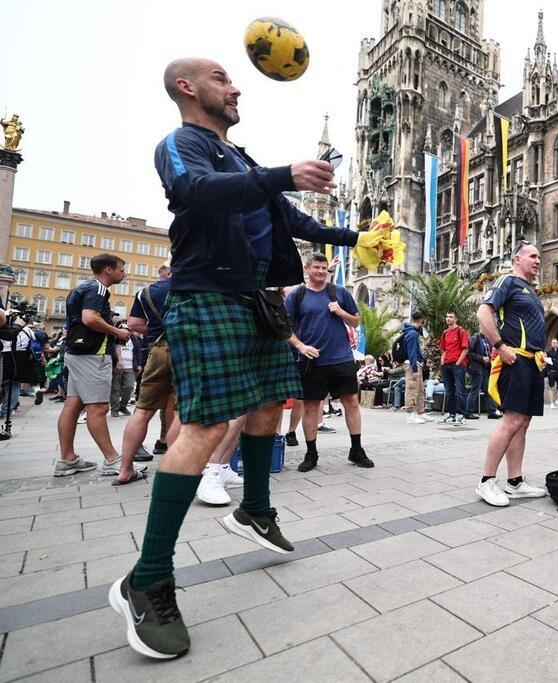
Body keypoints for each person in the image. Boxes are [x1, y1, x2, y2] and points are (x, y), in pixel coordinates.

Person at [109, 58, 372, 661]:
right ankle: (147, 579)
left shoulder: (245, 160)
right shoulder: (182, 145)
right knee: (203, 427)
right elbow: (192, 192)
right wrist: (282, 172)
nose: (235, 87)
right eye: (222, 79)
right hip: (209, 295)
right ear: (187, 87)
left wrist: (356, 239)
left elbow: (289, 218)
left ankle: (254, 508)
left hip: (257, 297)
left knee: (267, 405)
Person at [475, 242, 548, 506]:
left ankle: (515, 482)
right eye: (532, 256)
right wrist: (500, 347)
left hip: (533, 362)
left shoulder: (530, 289)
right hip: (514, 359)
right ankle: (486, 481)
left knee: (523, 422)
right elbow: (483, 312)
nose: (537, 260)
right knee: (512, 420)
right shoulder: (508, 281)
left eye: (539, 256)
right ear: (517, 259)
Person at [285, 253, 371, 472]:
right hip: (311, 361)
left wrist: (340, 311)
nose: (321, 271)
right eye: (316, 267)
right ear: (307, 269)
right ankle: (311, 453)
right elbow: (285, 328)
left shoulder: (339, 293)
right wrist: (301, 347)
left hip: (341, 358)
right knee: (312, 406)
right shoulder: (297, 295)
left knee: (351, 401)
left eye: (324, 268)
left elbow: (356, 320)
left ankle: (356, 450)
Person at [56, 254, 131, 477]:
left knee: (73, 406)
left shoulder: (83, 287)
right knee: (98, 408)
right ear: (108, 270)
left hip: (77, 353)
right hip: (92, 354)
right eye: (121, 269)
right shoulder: (98, 288)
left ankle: (67, 459)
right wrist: (118, 331)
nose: (124, 273)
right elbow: (90, 318)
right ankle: (112, 460)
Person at [114, 271, 179, 486]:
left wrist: (158, 329)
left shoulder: (147, 291)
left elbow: (133, 324)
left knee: (142, 411)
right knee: (182, 411)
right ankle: (174, 467)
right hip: (186, 349)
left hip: (157, 350)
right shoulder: (195, 285)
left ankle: (125, 469)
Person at [439, 311, 470, 424]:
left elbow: (465, 349)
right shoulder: (445, 333)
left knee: (461, 390)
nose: (448, 319)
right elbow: (444, 349)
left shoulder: (461, 331)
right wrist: (442, 362)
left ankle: (462, 415)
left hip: (458, 366)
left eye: (451, 317)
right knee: (449, 391)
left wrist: (458, 362)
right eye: (447, 316)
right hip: (446, 366)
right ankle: (451, 415)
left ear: (456, 319)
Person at [402, 311, 432, 424]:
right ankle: (409, 414)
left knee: (419, 389)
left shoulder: (413, 332)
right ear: (420, 320)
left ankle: (420, 412)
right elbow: (412, 352)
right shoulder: (412, 333)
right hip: (411, 364)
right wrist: (414, 369)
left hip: (415, 363)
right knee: (412, 388)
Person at [110, 324, 141, 417]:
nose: (126, 332)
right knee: (115, 388)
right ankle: (114, 409)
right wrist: (113, 364)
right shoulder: (114, 340)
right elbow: (111, 352)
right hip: (117, 366)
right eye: (124, 329)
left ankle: (122, 406)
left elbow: (138, 352)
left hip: (130, 366)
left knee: (129, 386)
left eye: (128, 330)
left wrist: (139, 364)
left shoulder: (134, 340)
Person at [467, 330, 500, 418]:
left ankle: (492, 412)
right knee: (475, 390)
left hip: (486, 368)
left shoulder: (487, 339)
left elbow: (490, 352)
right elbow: (469, 353)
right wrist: (482, 358)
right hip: (477, 368)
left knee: (488, 390)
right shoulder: (475, 338)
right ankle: (468, 412)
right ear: (480, 327)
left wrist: (489, 358)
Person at [546, 339, 558, 409]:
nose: (554, 344)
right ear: (551, 344)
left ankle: (557, 400)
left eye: (555, 343)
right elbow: (546, 362)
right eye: (553, 343)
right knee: (551, 387)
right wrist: (548, 371)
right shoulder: (548, 352)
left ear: (557, 343)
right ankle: (551, 403)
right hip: (551, 371)